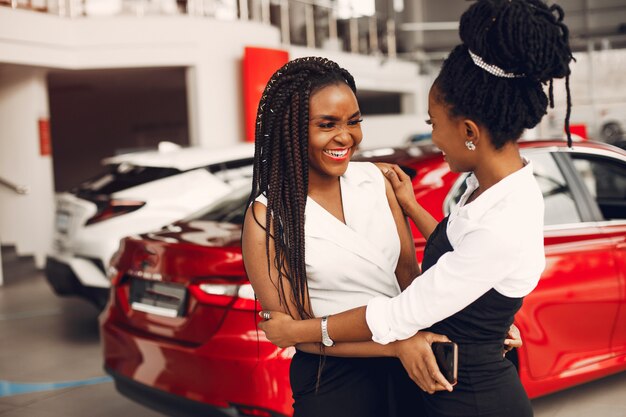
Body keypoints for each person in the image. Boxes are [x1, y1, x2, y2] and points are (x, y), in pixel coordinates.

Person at [258, 1, 574, 416]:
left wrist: (296, 331)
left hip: (470, 400)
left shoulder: (501, 218)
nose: (432, 137)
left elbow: (403, 309)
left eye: (432, 123)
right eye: (326, 123)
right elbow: (458, 253)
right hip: (426, 386)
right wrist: (413, 208)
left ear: (468, 132)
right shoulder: (484, 189)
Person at [241, 56, 437, 417]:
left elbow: (409, 280)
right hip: (334, 384)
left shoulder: (377, 182)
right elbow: (292, 332)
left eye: (354, 122)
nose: (346, 137)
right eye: (327, 124)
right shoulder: (267, 217)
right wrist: (395, 346)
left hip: (411, 366)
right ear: (292, 128)